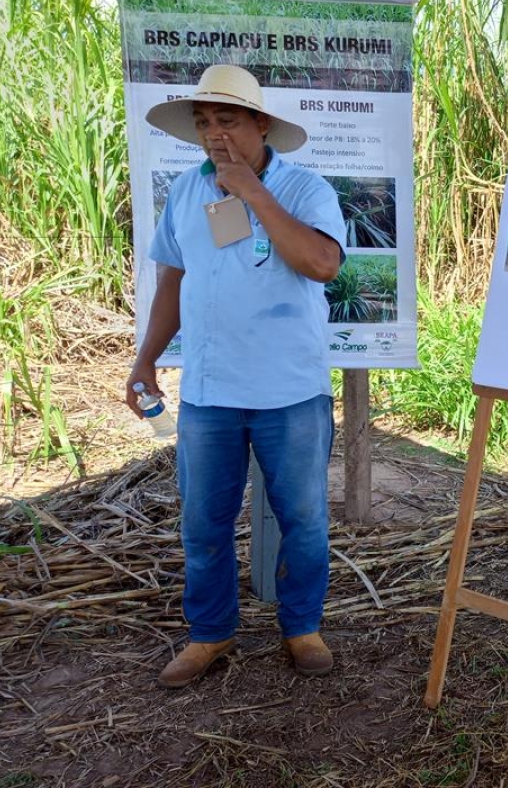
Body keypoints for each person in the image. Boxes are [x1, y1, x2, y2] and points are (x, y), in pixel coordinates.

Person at [125, 64, 347, 688]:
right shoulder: (185, 191)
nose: (213, 133)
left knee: (304, 520)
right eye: (203, 122)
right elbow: (173, 280)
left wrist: (252, 191)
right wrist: (145, 359)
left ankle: (302, 626)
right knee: (203, 523)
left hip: (290, 391)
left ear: (261, 125)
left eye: (227, 120)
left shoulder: (305, 188)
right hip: (209, 391)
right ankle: (211, 632)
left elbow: (322, 263)